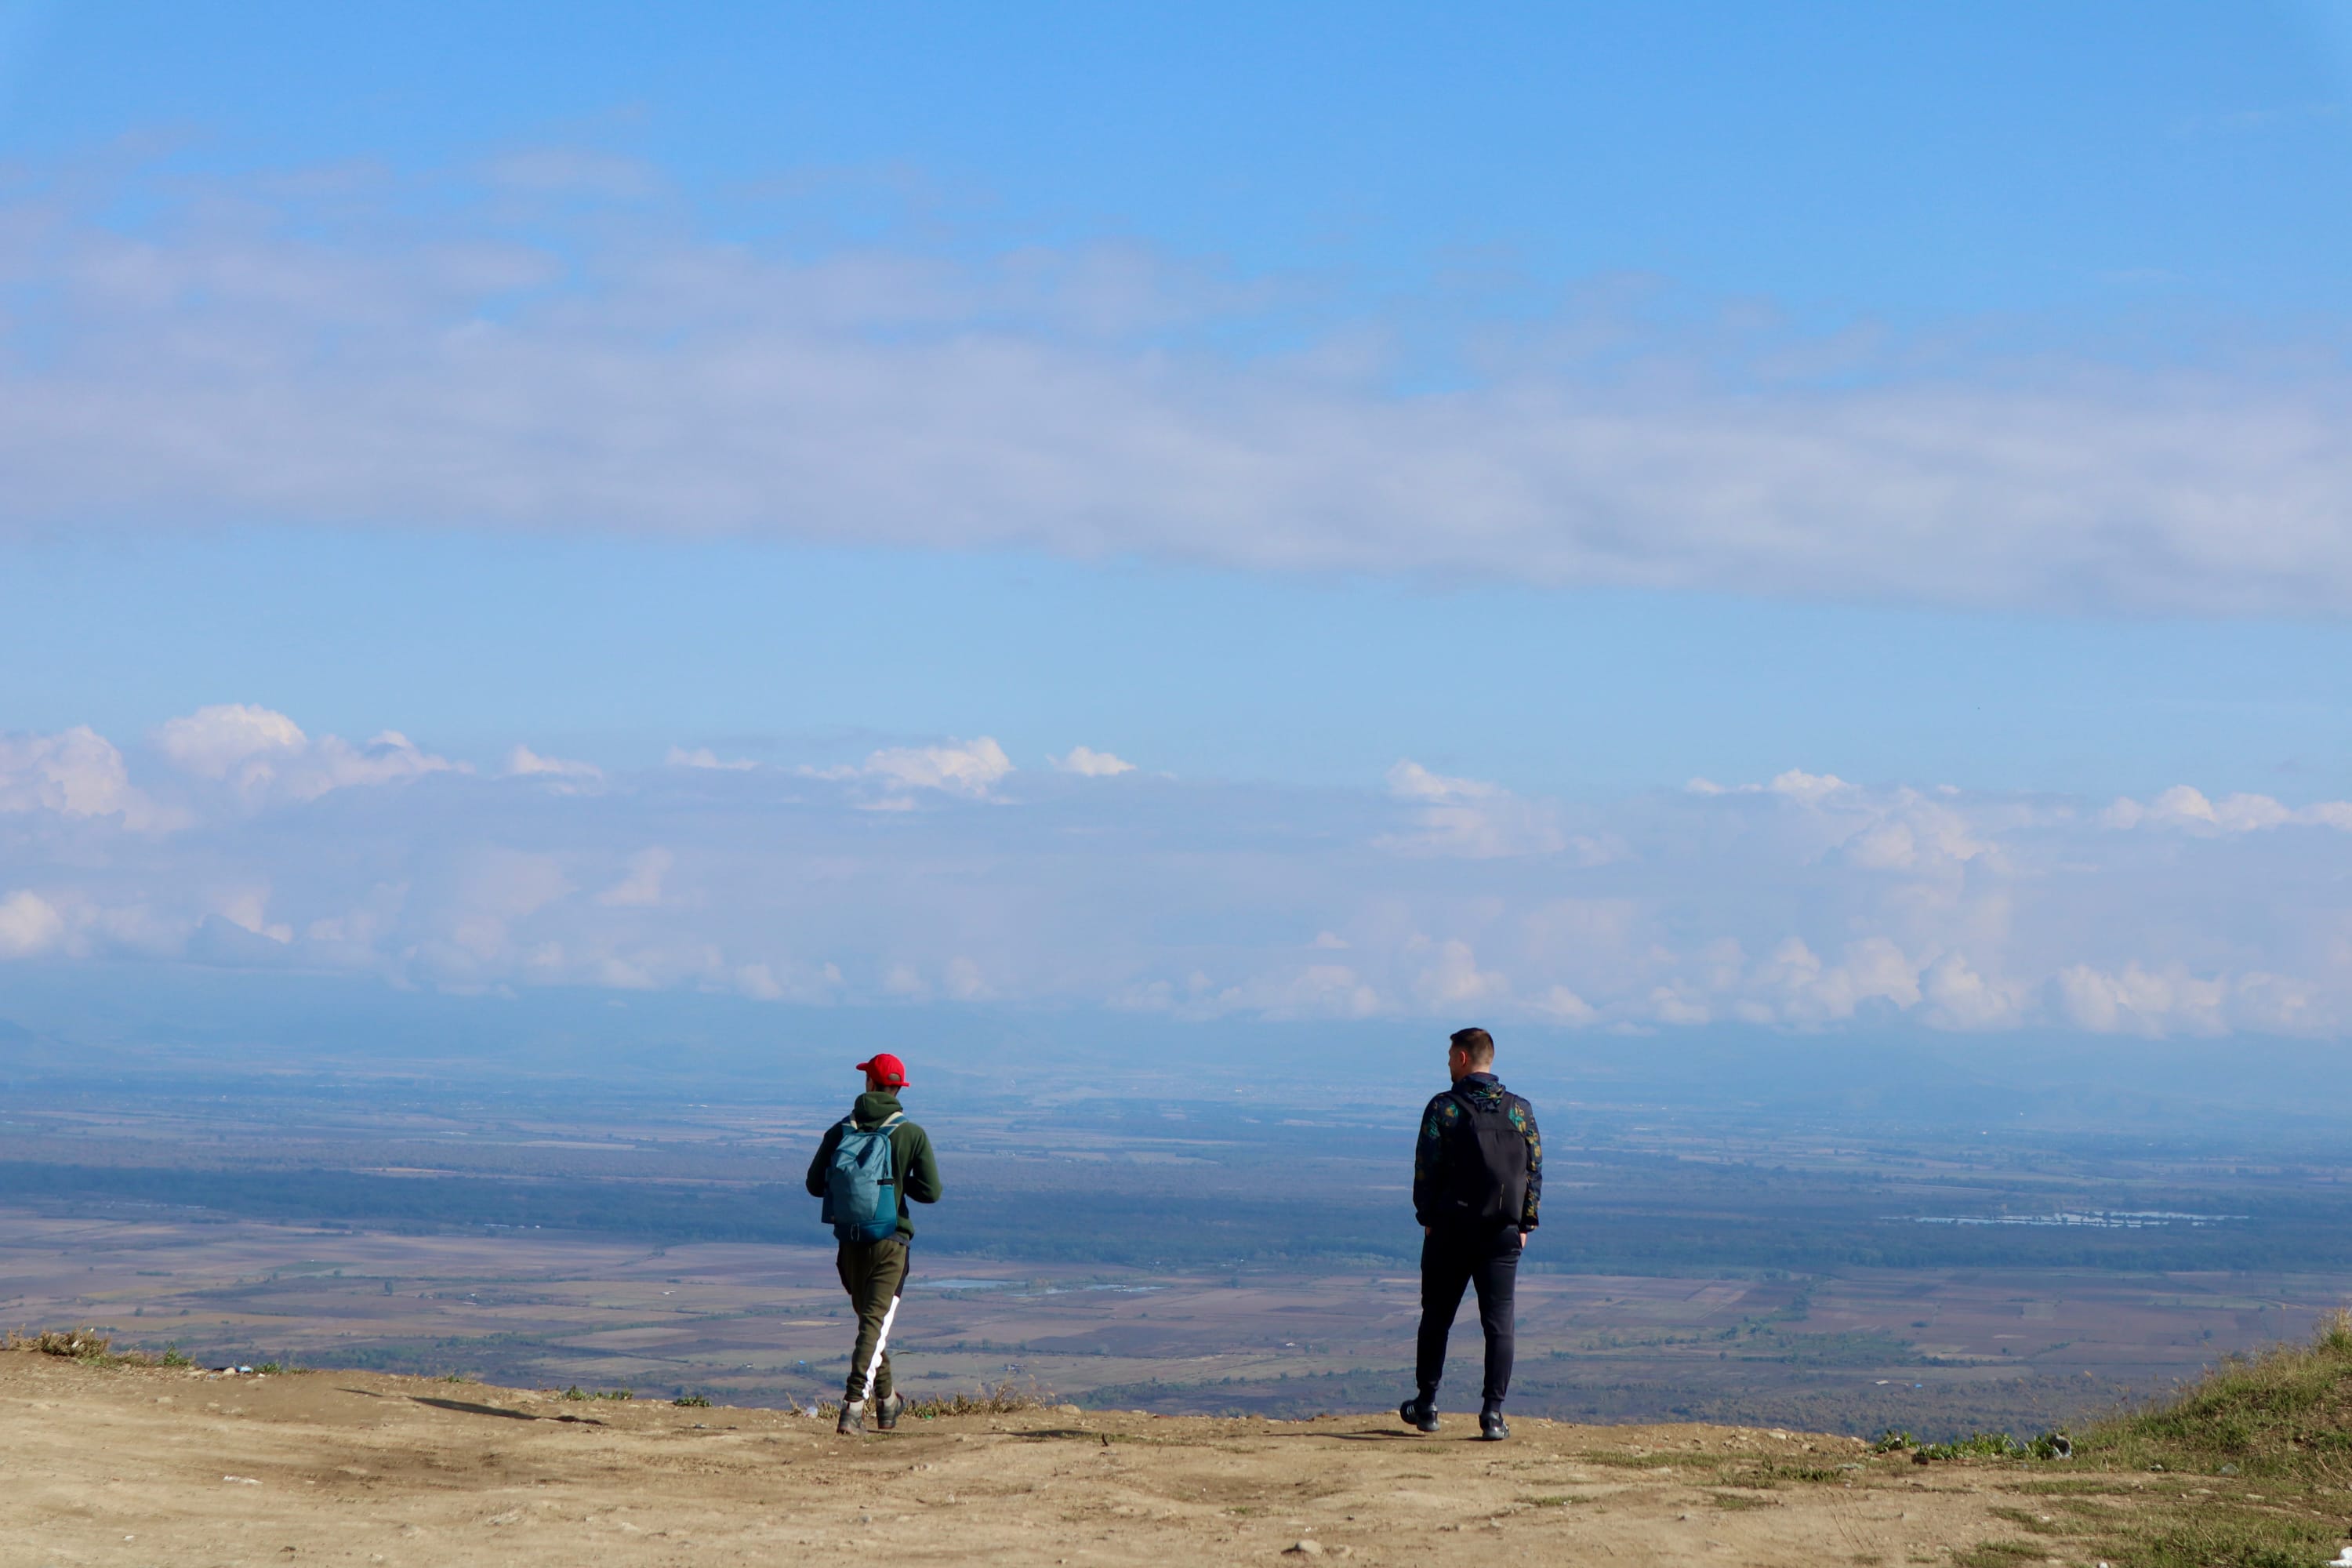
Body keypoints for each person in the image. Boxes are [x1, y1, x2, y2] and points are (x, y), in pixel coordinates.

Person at [1400, 1026, 1541, 1442]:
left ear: (1463, 1059)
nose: (1447, 1063)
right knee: (1499, 1325)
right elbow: (1534, 1169)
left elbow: (1425, 1167)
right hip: (1502, 1231)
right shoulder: (1521, 1110)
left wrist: (1426, 1215)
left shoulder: (1444, 1109)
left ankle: (1426, 1406)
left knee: (1437, 1318)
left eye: (1449, 1056)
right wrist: (1525, 1223)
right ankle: (1493, 1415)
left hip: (1450, 1230)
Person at [804, 1051, 943, 1436]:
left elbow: (815, 1185)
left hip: (849, 1244)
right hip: (890, 1244)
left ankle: (887, 1404)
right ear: (898, 1088)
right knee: (873, 1327)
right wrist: (897, 1183)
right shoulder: (911, 1133)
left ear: (868, 1084)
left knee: (872, 1326)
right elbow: (932, 1192)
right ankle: (852, 1407)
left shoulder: (839, 1132)